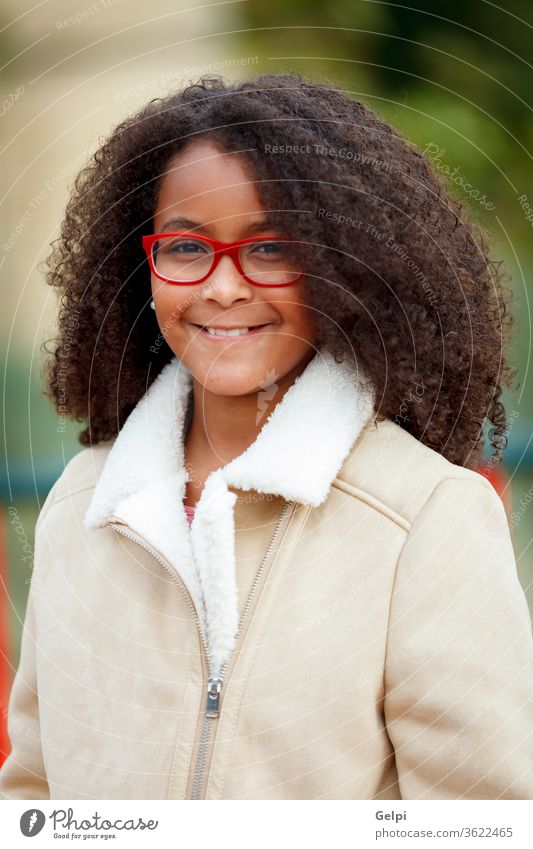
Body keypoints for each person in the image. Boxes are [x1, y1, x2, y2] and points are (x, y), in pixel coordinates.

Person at [0, 73, 531, 800]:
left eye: (271, 247)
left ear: (347, 267)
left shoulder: (427, 517)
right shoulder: (81, 506)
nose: (222, 287)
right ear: (139, 266)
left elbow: (482, 822)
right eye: (186, 247)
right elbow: (31, 796)